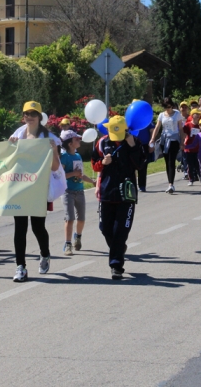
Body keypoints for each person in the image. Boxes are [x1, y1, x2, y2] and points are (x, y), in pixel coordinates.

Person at [8, 101, 61, 282]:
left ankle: (45, 254)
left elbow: (55, 167)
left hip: (38, 188)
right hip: (20, 188)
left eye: (33, 114)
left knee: (38, 227)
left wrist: (53, 150)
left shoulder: (48, 138)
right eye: (26, 114)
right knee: (20, 228)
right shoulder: (17, 135)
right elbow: (8, 161)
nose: (29, 117)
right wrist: (11, 146)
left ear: (39, 117)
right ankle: (20, 267)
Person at [91, 115, 145, 280]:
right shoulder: (102, 142)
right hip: (107, 193)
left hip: (126, 194)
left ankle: (116, 266)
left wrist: (133, 147)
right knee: (105, 229)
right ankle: (119, 248)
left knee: (120, 230)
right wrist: (103, 163)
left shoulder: (133, 142)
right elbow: (94, 164)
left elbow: (141, 165)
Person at [60, 130, 95, 256]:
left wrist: (92, 181)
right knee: (70, 219)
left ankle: (78, 237)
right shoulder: (64, 157)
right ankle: (68, 244)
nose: (79, 140)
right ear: (70, 143)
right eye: (76, 139)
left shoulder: (78, 156)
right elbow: (60, 175)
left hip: (80, 191)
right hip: (67, 191)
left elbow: (80, 174)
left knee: (81, 218)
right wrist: (73, 174)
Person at [149, 97, 184, 194]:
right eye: (165, 107)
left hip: (173, 140)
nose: (167, 109)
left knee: (171, 161)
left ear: (172, 105)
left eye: (169, 107)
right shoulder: (161, 115)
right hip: (164, 140)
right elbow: (157, 128)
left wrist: (182, 141)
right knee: (166, 162)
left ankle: (171, 184)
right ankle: (170, 182)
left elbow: (181, 129)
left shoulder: (177, 114)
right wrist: (152, 138)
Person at [134, 105, 155, 192]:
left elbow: (152, 131)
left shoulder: (146, 119)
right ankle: (132, 185)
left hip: (144, 145)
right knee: (132, 165)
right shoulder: (131, 119)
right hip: (133, 145)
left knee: (143, 165)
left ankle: (142, 185)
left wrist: (151, 144)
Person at [183, 108, 201, 186]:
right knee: (190, 165)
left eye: (199, 115)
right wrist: (183, 142)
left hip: (198, 148)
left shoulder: (200, 125)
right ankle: (191, 179)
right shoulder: (188, 125)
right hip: (189, 148)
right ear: (192, 115)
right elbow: (184, 134)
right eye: (197, 114)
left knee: (198, 164)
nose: (198, 116)